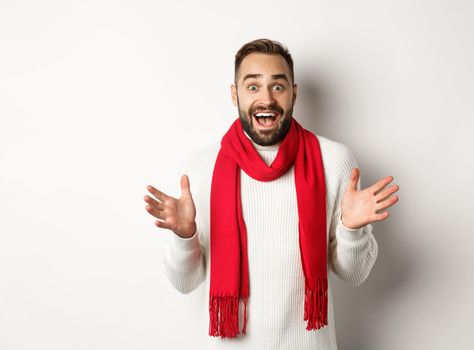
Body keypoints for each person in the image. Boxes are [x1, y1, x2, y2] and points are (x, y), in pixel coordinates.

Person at [143, 38, 400, 349]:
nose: (266, 98)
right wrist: (185, 237)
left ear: (294, 92)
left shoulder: (333, 160)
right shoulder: (200, 167)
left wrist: (352, 230)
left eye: (277, 86)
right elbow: (184, 283)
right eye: (252, 87)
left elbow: (354, 274)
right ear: (234, 94)